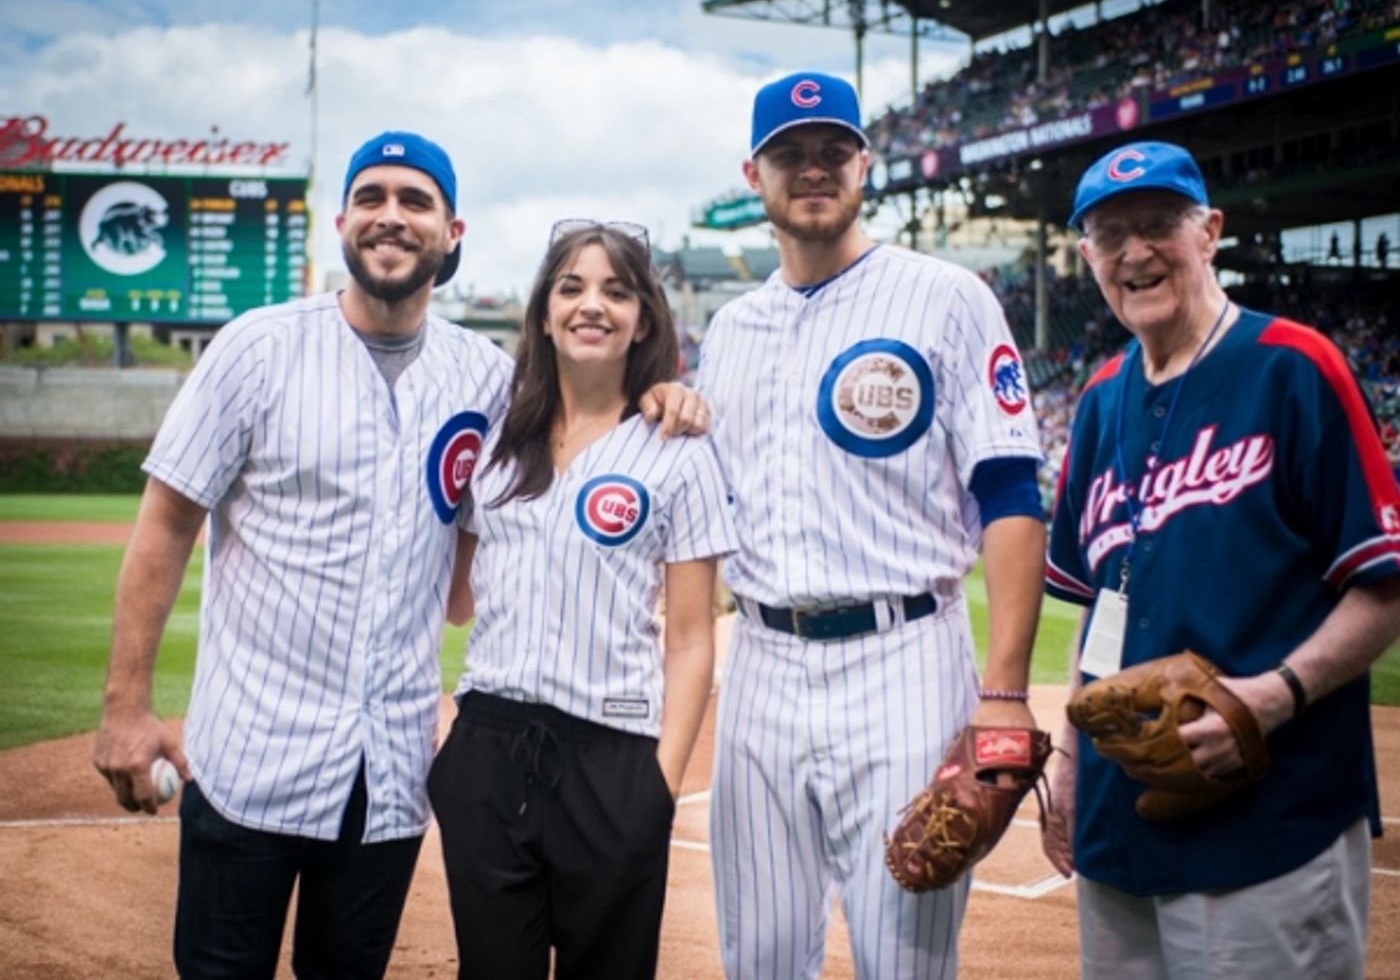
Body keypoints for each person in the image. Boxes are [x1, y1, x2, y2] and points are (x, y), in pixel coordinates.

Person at [91, 133, 702, 978]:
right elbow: (164, 523)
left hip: (387, 778)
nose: (392, 216)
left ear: (453, 232)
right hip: (251, 758)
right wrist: (126, 706)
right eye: (372, 197)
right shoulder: (256, 348)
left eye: (416, 201)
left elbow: (582, 403)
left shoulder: (486, 380)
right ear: (342, 221)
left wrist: (659, 394)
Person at [697, 72, 1048, 978]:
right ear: (754, 173)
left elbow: (1011, 492)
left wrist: (1004, 690)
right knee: (760, 956)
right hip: (763, 668)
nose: (812, 169)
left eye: (831, 151)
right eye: (789, 155)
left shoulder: (945, 297)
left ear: (863, 162)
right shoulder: (729, 330)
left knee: (905, 957)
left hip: (903, 659)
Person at [1042, 140, 1400, 978]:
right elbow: (1104, 604)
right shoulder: (1097, 402)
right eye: (1110, 233)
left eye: (1159, 223)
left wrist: (1270, 699)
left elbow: (1384, 585)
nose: (1135, 251)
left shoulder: (1294, 367)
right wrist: (1068, 757)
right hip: (1116, 829)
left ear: (1209, 231)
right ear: (1087, 255)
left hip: (1269, 823)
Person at [428, 220, 737, 978]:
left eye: (616, 290)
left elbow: (692, 638)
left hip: (613, 759)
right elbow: (458, 599)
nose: (591, 305)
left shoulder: (677, 448)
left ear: (643, 319)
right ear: (542, 312)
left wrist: (658, 786)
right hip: (490, 748)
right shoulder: (498, 436)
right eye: (571, 287)